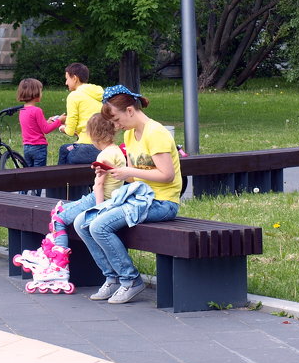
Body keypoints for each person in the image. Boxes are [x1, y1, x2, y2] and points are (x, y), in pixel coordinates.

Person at [78, 84, 182, 304]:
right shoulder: (130, 136)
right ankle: (112, 277)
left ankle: (131, 280)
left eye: (116, 119)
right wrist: (111, 172)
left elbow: (167, 176)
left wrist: (128, 171)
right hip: (138, 197)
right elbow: (135, 179)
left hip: (162, 202)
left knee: (99, 226)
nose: (116, 126)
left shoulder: (156, 133)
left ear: (130, 111)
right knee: (82, 222)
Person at [13, 112, 127, 293]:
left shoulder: (103, 157)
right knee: (59, 209)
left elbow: (98, 186)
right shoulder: (116, 151)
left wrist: (98, 210)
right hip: (111, 197)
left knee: (59, 219)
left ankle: (59, 264)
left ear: (93, 135)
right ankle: (46, 253)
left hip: (100, 199)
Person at [57, 62, 104, 165]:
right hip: (104, 146)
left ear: (74, 78)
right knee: (65, 149)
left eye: (67, 79)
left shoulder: (74, 96)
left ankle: (61, 180)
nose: (66, 83)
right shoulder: (99, 94)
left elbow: (70, 131)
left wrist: (62, 128)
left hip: (86, 146)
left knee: (67, 153)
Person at [16, 77, 64, 170]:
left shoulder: (22, 110)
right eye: (41, 91)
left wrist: (47, 122)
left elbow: (33, 126)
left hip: (27, 147)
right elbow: (46, 130)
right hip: (38, 147)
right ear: (35, 93)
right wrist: (59, 121)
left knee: (28, 172)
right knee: (39, 173)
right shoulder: (37, 110)